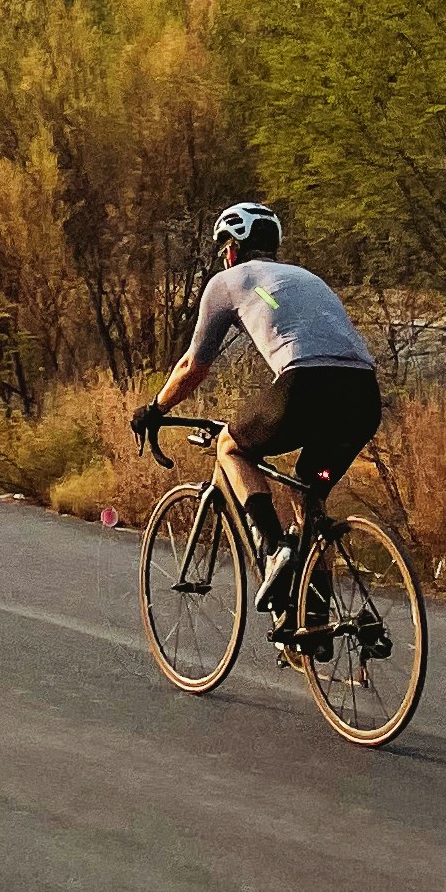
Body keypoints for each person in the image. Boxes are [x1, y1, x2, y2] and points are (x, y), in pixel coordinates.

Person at [129, 203, 380, 621]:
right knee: (310, 494)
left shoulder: (228, 281)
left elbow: (193, 366)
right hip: (363, 396)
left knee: (231, 445)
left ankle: (272, 546)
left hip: (306, 386)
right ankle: (313, 625)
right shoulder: (308, 278)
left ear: (231, 248)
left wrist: (155, 408)